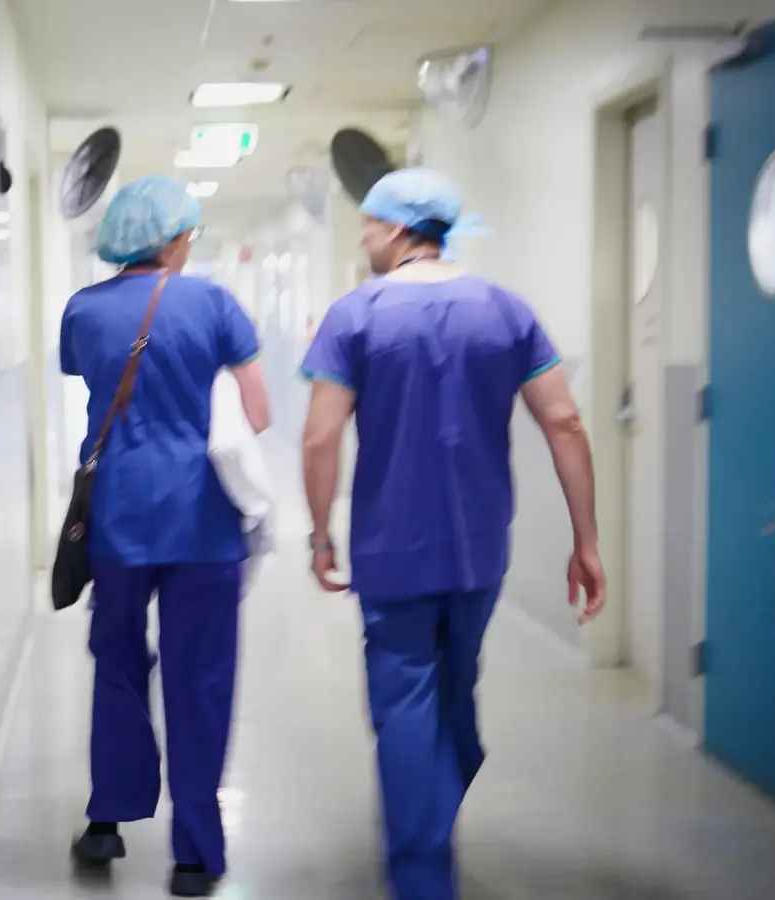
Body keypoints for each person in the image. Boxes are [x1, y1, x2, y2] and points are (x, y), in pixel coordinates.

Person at [298, 168, 606, 900]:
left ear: (400, 230)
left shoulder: (355, 316)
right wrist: (585, 539)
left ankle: (421, 875)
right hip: (479, 549)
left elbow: (319, 439)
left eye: (369, 225)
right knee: (455, 690)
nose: (365, 238)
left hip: (391, 550)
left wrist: (319, 534)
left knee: (406, 703)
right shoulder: (505, 311)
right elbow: (563, 420)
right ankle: (435, 812)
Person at [59, 175, 271, 898]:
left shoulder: (83, 310)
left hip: (116, 517)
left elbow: (90, 379)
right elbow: (258, 410)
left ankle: (106, 822)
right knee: (199, 681)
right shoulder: (213, 302)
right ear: (175, 238)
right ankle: (194, 855)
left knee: (116, 663)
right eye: (189, 235)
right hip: (204, 524)